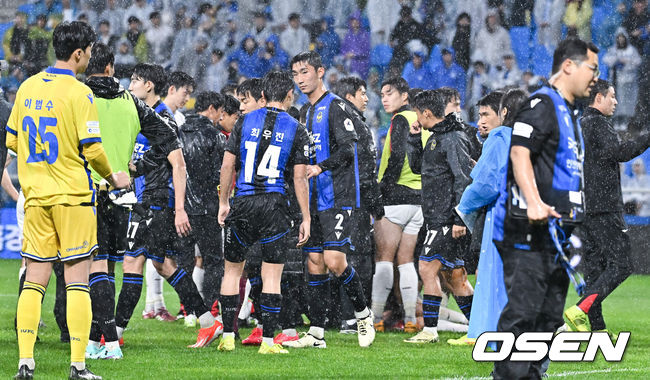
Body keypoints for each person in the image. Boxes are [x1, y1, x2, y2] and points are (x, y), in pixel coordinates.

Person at [8, 21, 131, 380]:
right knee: (77, 282)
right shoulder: (80, 94)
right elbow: (92, 149)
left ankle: (25, 363)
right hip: (73, 198)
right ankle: (78, 366)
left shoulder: (27, 87)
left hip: (36, 198)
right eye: (90, 51)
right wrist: (114, 178)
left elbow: (14, 143)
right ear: (78, 53)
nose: (91, 56)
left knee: (34, 281)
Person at [491, 38, 599, 379]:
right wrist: (535, 201)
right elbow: (519, 151)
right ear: (568, 66)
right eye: (592, 68)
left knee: (548, 321)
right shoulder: (541, 103)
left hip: (556, 237)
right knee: (522, 317)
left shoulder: (568, 112)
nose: (596, 77)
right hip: (528, 232)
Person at [84, 42, 180, 360]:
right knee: (110, 264)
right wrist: (137, 165)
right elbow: (168, 138)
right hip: (121, 195)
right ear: (111, 67)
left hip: (86, 189)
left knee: (87, 268)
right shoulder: (130, 102)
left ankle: (102, 341)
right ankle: (100, 338)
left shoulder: (80, 95)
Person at [120, 63, 222, 348]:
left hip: (156, 202)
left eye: (135, 81)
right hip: (146, 200)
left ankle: (112, 334)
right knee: (163, 264)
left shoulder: (163, 119)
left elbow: (179, 167)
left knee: (133, 261)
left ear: (149, 85)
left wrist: (179, 208)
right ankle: (206, 320)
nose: (130, 86)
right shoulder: (142, 114)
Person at [216, 70, 311, 354]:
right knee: (272, 275)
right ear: (289, 95)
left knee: (232, 272)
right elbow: (299, 178)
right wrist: (305, 217)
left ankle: (228, 336)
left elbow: (227, 166)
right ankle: (268, 341)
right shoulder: (296, 128)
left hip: (243, 202)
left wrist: (223, 202)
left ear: (263, 95)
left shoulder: (244, 121)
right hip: (273, 206)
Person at [286, 51, 375, 348]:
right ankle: (317, 334)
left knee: (335, 261)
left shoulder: (336, 107)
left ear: (320, 72)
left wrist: (321, 166)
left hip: (337, 195)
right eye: (295, 74)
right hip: (311, 198)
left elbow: (350, 150)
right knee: (314, 262)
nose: (300, 79)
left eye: (305, 72)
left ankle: (363, 315)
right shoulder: (303, 112)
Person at [563, 79, 650, 333]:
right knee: (622, 265)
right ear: (598, 98)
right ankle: (580, 309)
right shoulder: (598, 124)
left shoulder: (579, 125)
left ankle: (597, 327)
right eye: (612, 96)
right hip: (605, 207)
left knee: (595, 267)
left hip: (585, 206)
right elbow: (619, 152)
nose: (616, 102)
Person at [451, 89, 528, 347]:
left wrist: (463, 208)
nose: (481, 120)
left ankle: (492, 335)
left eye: (486, 114)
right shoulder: (530, 138)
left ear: (503, 113)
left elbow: (486, 184)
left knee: (495, 277)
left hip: (503, 216)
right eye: (479, 115)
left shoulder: (500, 137)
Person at [404, 90, 474, 344]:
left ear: (426, 113)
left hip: (446, 218)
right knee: (454, 278)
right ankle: (481, 328)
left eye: (416, 113)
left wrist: (459, 218)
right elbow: (416, 168)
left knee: (426, 266)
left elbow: (462, 178)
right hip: (436, 216)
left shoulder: (454, 137)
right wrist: (413, 138)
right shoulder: (435, 137)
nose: (415, 118)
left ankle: (430, 330)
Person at [373, 76, 426, 333]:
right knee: (405, 260)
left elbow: (396, 156)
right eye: (382, 94)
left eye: (390, 93)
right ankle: (409, 319)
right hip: (418, 199)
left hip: (395, 198)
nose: (384, 98)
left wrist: (382, 191)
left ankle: (374, 318)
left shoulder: (400, 120)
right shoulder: (422, 121)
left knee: (384, 258)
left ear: (405, 97)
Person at [334, 76, 384, 332]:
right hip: (355, 202)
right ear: (349, 97)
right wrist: (375, 204)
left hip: (332, 201)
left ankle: (335, 316)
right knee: (359, 258)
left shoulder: (329, 119)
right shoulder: (357, 126)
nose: (367, 98)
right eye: (362, 93)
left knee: (334, 257)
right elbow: (365, 173)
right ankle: (353, 316)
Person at [176, 91, 227, 327]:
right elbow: (220, 174)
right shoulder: (215, 136)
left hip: (182, 207)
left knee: (184, 261)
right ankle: (209, 308)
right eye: (220, 112)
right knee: (213, 261)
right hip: (208, 208)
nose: (220, 117)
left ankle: (187, 310)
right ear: (212, 109)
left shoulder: (178, 132)